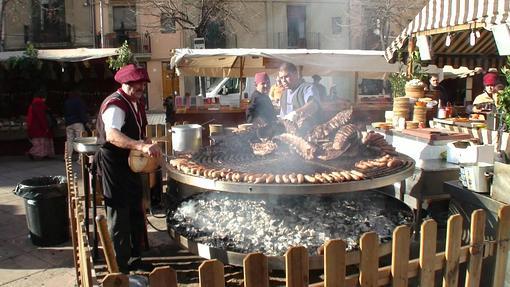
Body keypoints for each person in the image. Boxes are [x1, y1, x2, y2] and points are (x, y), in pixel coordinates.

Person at [94, 64, 161, 274]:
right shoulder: (115, 104)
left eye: (142, 83)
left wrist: (145, 139)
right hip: (114, 164)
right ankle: (119, 266)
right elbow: (112, 135)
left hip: (130, 163)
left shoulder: (136, 103)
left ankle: (134, 257)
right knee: (118, 212)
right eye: (136, 83)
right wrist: (140, 145)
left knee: (134, 208)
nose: (140, 87)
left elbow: (139, 129)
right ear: (125, 83)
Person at [26, 91, 55, 160]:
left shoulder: (34, 104)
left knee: (40, 143)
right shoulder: (39, 104)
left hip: (35, 126)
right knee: (42, 142)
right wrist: (45, 126)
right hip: (39, 127)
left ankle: (42, 154)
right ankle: (34, 154)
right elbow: (41, 117)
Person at [64, 89, 88, 159]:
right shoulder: (79, 101)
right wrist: (85, 121)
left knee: (69, 140)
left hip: (68, 123)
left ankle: (68, 157)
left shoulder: (67, 102)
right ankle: (81, 157)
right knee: (80, 140)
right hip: (78, 123)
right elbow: (82, 113)